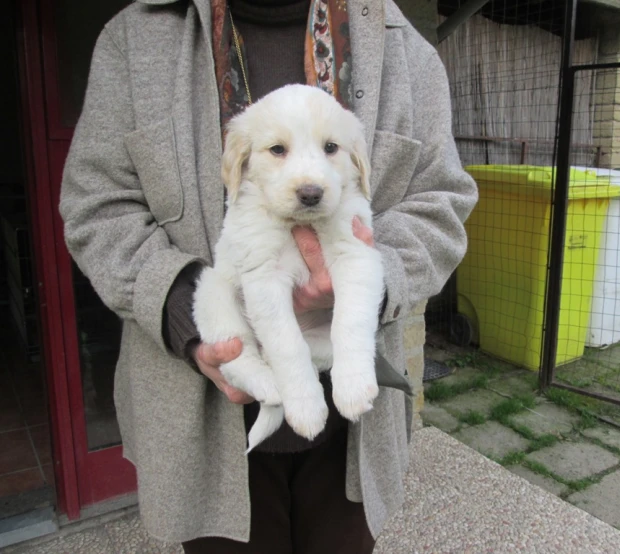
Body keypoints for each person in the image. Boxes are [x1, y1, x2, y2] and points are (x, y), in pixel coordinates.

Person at [59, 0, 478, 552]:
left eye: (328, 150)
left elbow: (442, 200)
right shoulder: (136, 38)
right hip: (202, 410)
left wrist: (368, 284)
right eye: (278, 151)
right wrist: (193, 315)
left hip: (351, 423)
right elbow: (97, 207)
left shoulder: (401, 44)